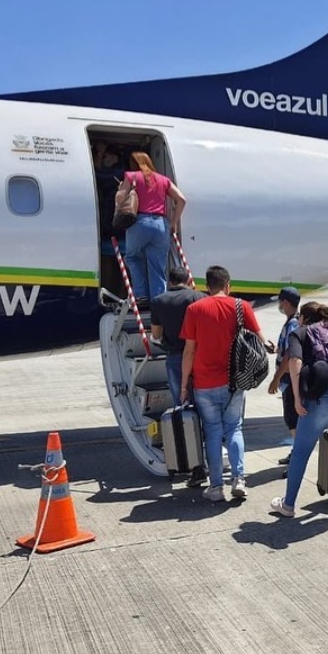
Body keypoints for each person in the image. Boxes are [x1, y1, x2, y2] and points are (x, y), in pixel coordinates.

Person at [179, 265, 272, 502]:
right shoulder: (242, 307)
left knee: (212, 432)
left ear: (207, 287)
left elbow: (189, 351)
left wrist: (182, 385)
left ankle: (216, 487)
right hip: (234, 381)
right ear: (228, 285)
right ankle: (239, 479)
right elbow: (260, 340)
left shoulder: (194, 309)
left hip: (204, 383)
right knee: (234, 428)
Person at [270, 302, 328, 520]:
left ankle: (288, 504)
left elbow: (294, 360)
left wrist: (296, 396)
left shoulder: (299, 332)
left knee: (301, 452)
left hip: (323, 397)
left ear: (302, 317)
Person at [150, 267, 206, 485]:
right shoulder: (199, 297)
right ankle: (209, 459)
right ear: (187, 280)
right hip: (201, 357)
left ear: (169, 281)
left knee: (183, 408)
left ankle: (192, 463)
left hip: (175, 357)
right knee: (205, 409)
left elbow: (155, 334)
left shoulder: (159, 301)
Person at [118, 151, 187, 303]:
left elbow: (120, 197)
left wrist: (120, 191)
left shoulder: (131, 176)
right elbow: (181, 199)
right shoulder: (164, 180)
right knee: (157, 265)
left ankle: (141, 294)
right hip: (161, 225)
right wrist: (173, 223)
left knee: (132, 257)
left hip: (140, 222)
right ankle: (158, 300)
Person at [267, 287, 301, 473]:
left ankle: (297, 457)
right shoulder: (291, 323)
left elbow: (290, 355)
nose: (279, 305)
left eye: (281, 301)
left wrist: (275, 378)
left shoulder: (293, 324)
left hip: (289, 378)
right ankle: (296, 452)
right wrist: (276, 350)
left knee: (292, 419)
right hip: (288, 378)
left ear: (286, 302)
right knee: (292, 419)